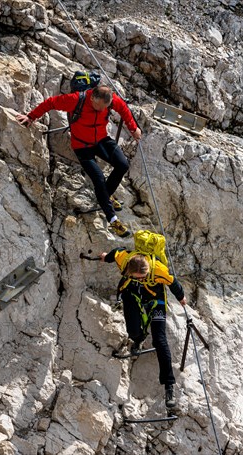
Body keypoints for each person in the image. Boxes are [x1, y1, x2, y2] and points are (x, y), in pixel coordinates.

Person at [16, 86, 142, 237]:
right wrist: (30, 117)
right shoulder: (76, 100)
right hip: (82, 146)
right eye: (99, 106)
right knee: (99, 179)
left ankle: (105, 196)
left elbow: (124, 109)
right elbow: (50, 103)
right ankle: (112, 218)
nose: (101, 110)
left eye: (105, 108)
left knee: (122, 165)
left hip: (101, 139)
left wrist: (134, 128)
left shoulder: (110, 99)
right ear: (92, 98)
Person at [100, 248, 186, 408]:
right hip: (132, 295)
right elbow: (116, 252)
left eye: (145, 276)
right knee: (133, 331)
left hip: (156, 299)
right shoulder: (126, 261)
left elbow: (173, 282)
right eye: (138, 277)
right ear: (130, 272)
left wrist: (181, 298)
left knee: (160, 341)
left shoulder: (159, 270)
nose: (143, 278)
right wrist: (106, 257)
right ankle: (138, 339)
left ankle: (169, 386)